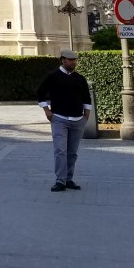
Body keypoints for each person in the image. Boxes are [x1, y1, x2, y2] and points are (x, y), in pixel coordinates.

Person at [36, 49, 91, 191]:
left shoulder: (80, 78)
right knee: (60, 150)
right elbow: (40, 92)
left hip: (78, 120)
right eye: (70, 60)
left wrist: (86, 116)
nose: (73, 62)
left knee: (72, 152)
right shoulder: (53, 77)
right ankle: (60, 181)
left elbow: (86, 97)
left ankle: (69, 179)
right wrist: (46, 110)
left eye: (74, 60)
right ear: (62, 60)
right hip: (59, 119)